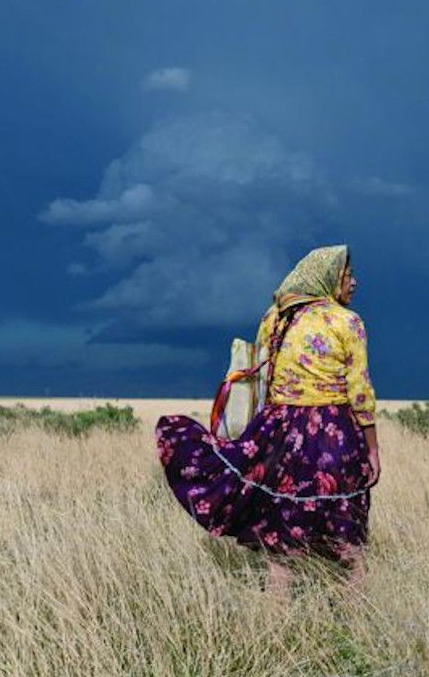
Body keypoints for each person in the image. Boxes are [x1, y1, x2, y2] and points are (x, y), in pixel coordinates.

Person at [155, 244, 379, 597]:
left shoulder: (275, 317)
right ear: (328, 277)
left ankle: (276, 629)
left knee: (280, 551)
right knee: (349, 545)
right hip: (332, 436)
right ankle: (357, 626)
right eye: (347, 275)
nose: (354, 282)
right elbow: (360, 390)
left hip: (279, 435)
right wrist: (372, 449)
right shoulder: (346, 321)